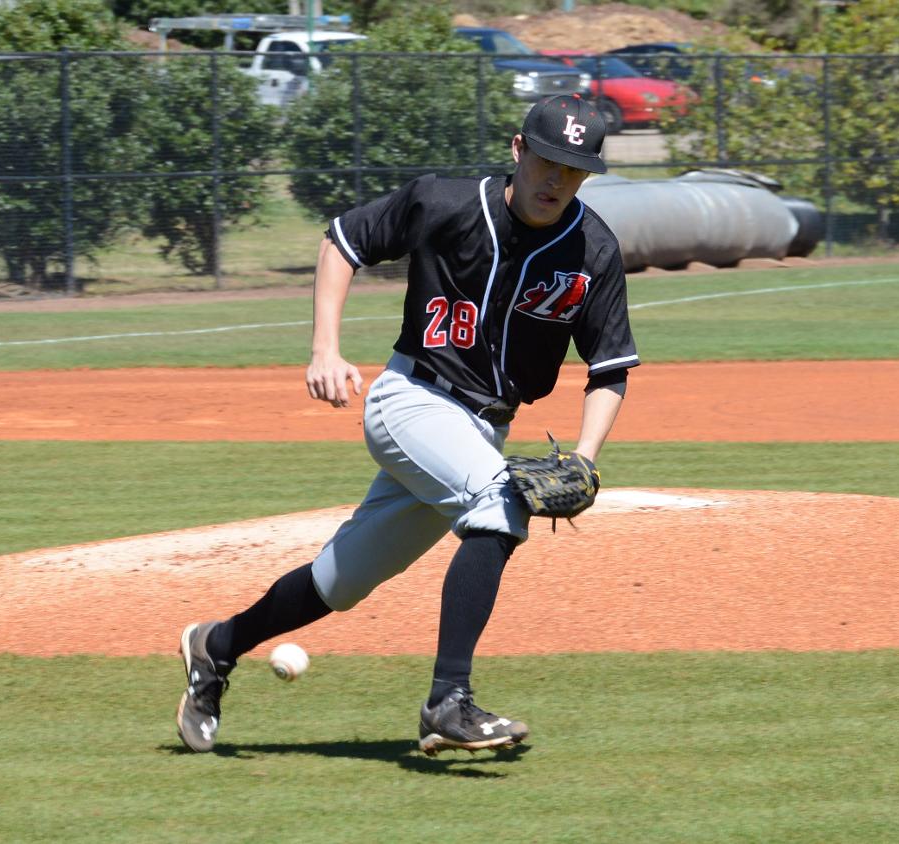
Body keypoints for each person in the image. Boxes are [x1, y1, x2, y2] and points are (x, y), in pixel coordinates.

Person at [175, 93, 639, 756]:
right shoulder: (445, 203)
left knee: (340, 582)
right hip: (412, 400)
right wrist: (324, 350)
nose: (555, 179)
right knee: (499, 501)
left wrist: (586, 458)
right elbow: (342, 240)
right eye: (546, 160)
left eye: (573, 169)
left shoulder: (591, 247)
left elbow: (610, 368)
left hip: (483, 429)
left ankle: (214, 647)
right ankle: (448, 702)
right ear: (518, 151)